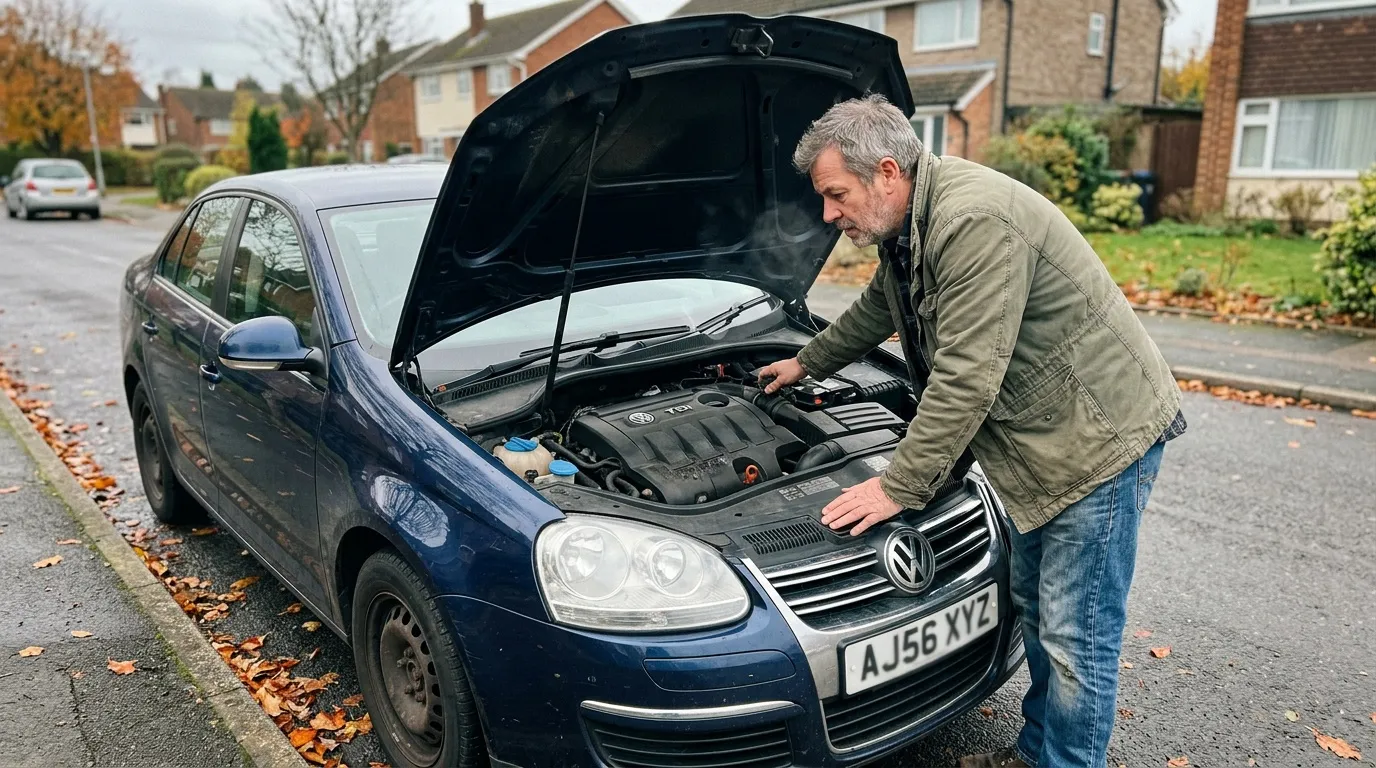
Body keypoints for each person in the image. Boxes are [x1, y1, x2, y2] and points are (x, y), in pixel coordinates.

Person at [758, 95, 1186, 768]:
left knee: (1078, 639)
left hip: (1097, 441)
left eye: (836, 195)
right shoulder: (912, 225)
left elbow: (966, 376)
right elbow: (880, 308)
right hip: (1041, 444)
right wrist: (805, 362)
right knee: (1039, 613)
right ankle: (1038, 753)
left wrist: (894, 488)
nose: (828, 215)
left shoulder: (971, 219)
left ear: (888, 173)